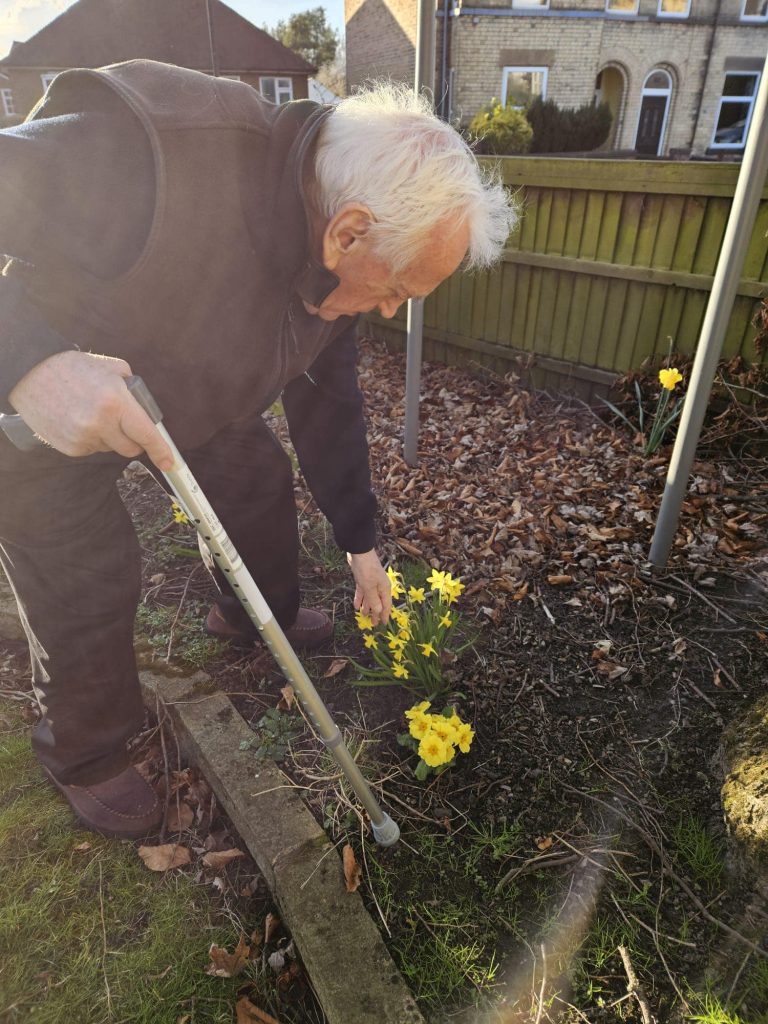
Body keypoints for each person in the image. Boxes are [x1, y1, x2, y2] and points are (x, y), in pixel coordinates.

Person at [0, 59, 516, 839]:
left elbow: (328, 400)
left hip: (192, 401)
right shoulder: (154, 150)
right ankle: (88, 750)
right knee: (92, 571)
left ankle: (252, 616)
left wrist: (359, 543)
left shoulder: (331, 259)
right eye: (396, 292)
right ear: (349, 231)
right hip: (51, 416)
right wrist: (28, 363)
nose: (384, 308)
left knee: (258, 482)